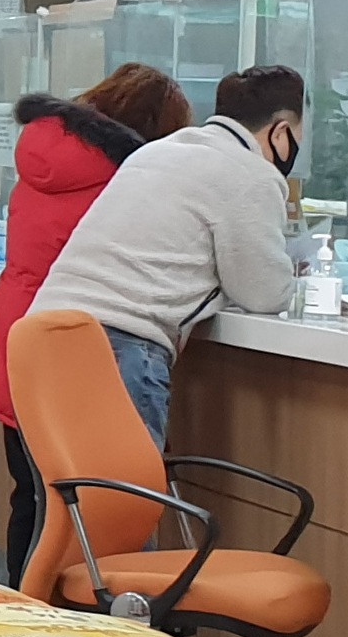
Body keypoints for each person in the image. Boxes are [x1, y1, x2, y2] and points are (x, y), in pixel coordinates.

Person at [0, 64, 193, 570]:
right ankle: (64, 614)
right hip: (73, 352)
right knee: (79, 512)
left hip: (14, 342)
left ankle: (20, 606)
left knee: (32, 498)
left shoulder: (44, 157)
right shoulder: (125, 181)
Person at [27, 64, 301, 448]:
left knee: (65, 485)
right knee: (120, 486)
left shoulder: (157, 152)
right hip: (115, 346)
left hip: (40, 339)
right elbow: (265, 293)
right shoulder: (250, 173)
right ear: (281, 132)